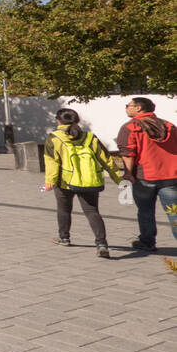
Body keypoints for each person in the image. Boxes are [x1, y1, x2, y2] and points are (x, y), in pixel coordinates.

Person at [43, 109, 121, 257]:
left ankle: (64, 238)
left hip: (64, 182)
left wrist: (50, 181)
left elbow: (52, 162)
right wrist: (119, 179)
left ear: (58, 120)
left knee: (64, 210)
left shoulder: (54, 137)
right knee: (92, 212)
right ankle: (101, 244)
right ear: (77, 120)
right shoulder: (90, 137)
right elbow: (107, 160)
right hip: (90, 181)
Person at [115, 97, 177, 252]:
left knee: (145, 211)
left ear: (139, 108)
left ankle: (147, 241)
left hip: (145, 176)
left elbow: (128, 153)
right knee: (174, 212)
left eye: (128, 105)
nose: (126, 108)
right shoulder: (169, 126)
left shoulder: (130, 127)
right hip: (171, 175)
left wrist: (128, 173)